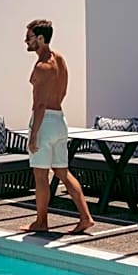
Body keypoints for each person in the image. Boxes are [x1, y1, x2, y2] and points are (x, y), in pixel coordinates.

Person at [21, 19, 95, 235]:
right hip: (60, 120)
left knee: (40, 176)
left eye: (29, 37)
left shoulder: (41, 67)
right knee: (63, 172)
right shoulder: (60, 60)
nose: (25, 40)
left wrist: (34, 135)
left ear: (41, 38)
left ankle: (41, 222)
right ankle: (86, 217)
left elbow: (39, 104)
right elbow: (62, 92)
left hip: (44, 122)